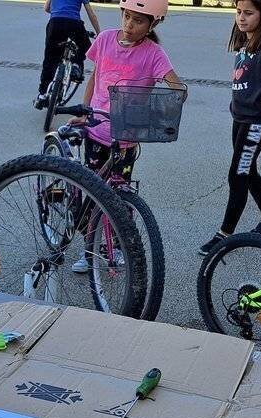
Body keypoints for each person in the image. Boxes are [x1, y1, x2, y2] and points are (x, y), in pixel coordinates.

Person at [69, 0, 182, 272]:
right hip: (96, 130)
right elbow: (95, 76)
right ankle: (89, 249)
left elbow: (177, 87)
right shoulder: (105, 39)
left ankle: (117, 247)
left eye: (139, 20)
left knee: (119, 193)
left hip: (126, 138)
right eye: (127, 16)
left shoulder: (154, 53)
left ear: (153, 24)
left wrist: (164, 105)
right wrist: (84, 112)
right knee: (93, 191)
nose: (130, 25)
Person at [198, 0, 261, 255]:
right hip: (242, 117)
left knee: (238, 174)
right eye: (238, 12)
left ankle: (225, 235)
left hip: (257, 120)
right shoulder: (247, 40)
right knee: (247, 169)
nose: (241, 18)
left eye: (248, 13)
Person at [33, 0, 101, 109]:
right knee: (85, 47)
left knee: (50, 59)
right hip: (74, 24)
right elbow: (91, 14)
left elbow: (46, 8)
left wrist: (58, 11)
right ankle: (76, 65)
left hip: (55, 24)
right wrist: (99, 33)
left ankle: (42, 94)